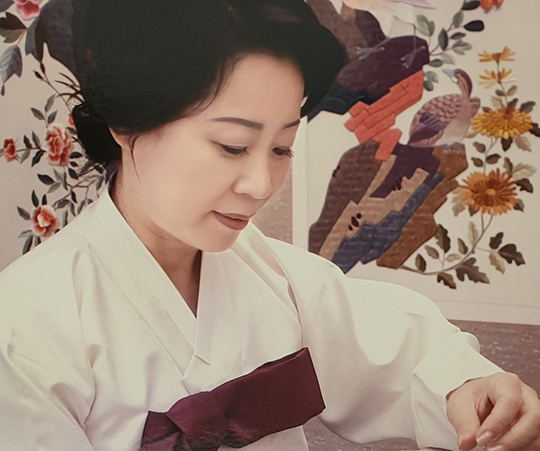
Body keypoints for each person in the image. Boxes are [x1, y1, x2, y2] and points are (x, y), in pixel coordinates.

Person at [0, 0, 539, 450]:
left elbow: (400, 351)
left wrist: (470, 388)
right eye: (232, 145)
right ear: (126, 122)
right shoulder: (26, 326)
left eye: (282, 147)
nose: (261, 184)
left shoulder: (272, 276)